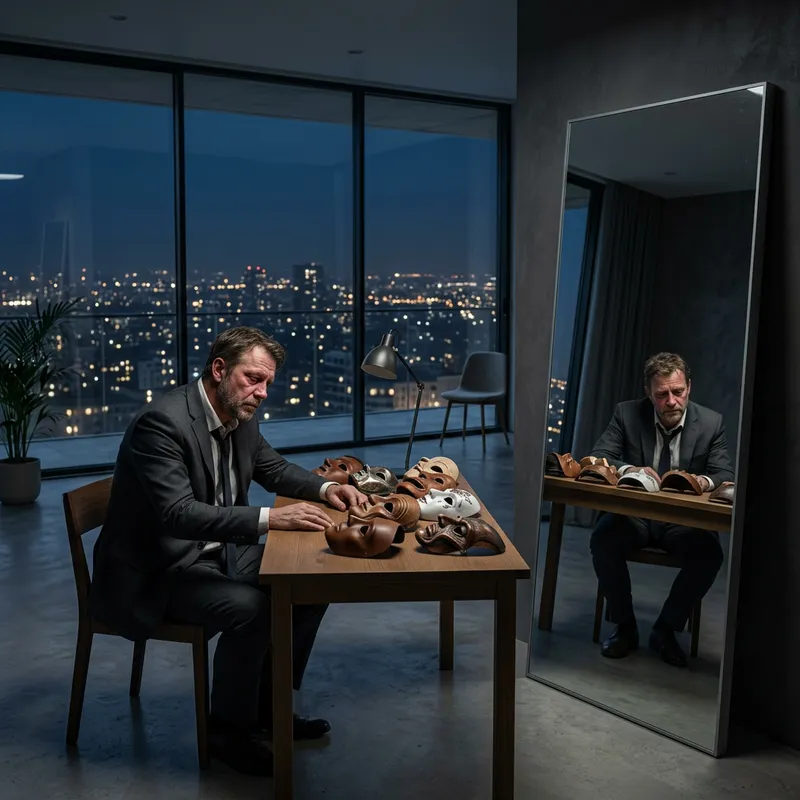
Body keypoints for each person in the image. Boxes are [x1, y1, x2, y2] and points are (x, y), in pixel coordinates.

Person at [90, 326, 367, 775]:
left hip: (212, 554)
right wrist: (270, 520)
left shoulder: (240, 414)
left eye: (267, 384)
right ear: (219, 369)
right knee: (253, 609)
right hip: (155, 573)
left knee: (311, 579)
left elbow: (273, 470)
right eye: (253, 378)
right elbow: (179, 514)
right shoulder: (161, 423)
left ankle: (268, 708)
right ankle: (227, 732)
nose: (261, 393)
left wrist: (328, 487)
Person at [588, 352, 734, 668]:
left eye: (677, 392)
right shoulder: (626, 414)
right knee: (603, 538)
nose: (671, 401)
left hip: (682, 525)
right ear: (648, 392)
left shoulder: (711, 423)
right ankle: (625, 627)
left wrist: (701, 481)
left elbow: (725, 474)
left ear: (689, 388)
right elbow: (600, 456)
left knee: (710, 554)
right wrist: (631, 470)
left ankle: (666, 629)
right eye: (661, 394)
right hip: (635, 518)